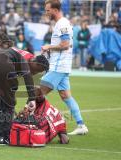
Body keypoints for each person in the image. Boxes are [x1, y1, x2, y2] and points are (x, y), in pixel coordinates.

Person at [0, 32, 49, 147]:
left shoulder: (13, 54)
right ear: (35, 63)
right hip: (3, 64)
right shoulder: (25, 58)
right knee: (9, 104)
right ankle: (4, 138)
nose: (36, 73)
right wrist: (31, 99)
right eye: (38, 70)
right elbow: (27, 78)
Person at [40, 0, 88, 135]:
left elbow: (65, 44)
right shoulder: (60, 23)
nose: (46, 12)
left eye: (48, 10)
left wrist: (49, 46)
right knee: (65, 95)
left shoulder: (62, 23)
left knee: (37, 93)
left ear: (55, 10)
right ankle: (81, 125)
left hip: (59, 66)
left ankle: (30, 122)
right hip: (61, 65)